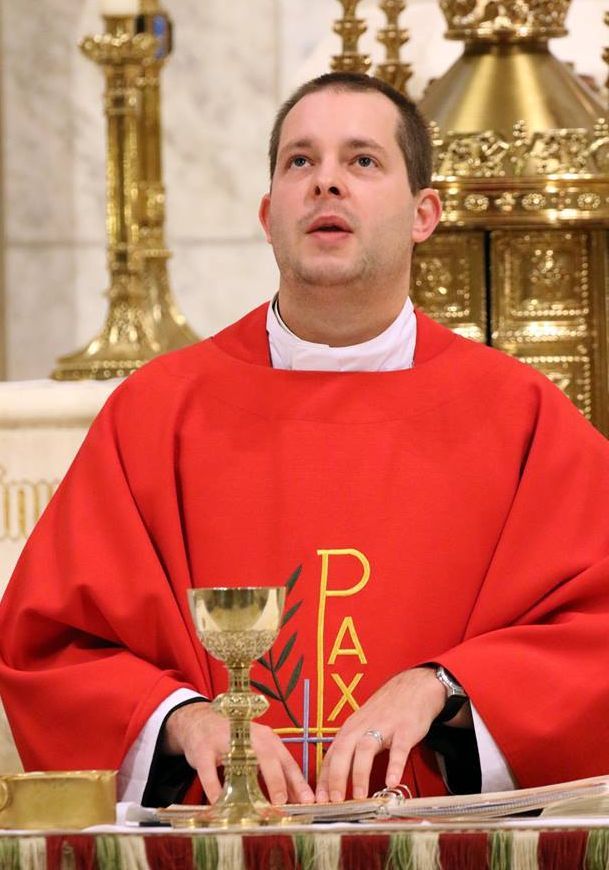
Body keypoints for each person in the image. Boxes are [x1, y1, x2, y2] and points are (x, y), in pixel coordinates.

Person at [1, 72, 609, 810]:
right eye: (300, 161)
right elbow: (53, 646)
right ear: (267, 213)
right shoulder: (158, 413)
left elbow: (593, 633)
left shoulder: (518, 415)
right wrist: (182, 720)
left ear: (423, 213)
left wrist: (445, 690)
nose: (325, 182)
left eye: (361, 161)